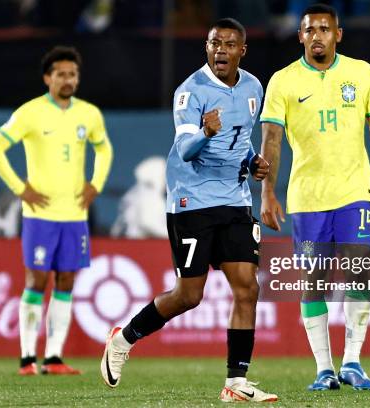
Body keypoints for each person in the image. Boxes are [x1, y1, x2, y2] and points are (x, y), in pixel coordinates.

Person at [100, 18, 278, 403]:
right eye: (215, 44)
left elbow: (242, 139)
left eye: (229, 45)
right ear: (207, 47)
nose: (220, 51)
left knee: (248, 288)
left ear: (241, 51)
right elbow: (185, 150)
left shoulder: (252, 87)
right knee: (188, 295)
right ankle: (124, 338)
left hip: (235, 199)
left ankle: (236, 382)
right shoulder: (190, 91)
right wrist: (205, 133)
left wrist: (252, 163)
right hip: (191, 200)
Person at [259, 4, 370, 391]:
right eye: (310, 30)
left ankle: (353, 362)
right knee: (314, 280)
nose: (317, 36)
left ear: (338, 35)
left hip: (354, 191)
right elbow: (271, 140)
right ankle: (324, 369)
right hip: (307, 197)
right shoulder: (283, 81)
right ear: (300, 37)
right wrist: (267, 194)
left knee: (359, 271)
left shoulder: (361, 73)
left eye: (325, 29)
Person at [0, 46, 113, 375]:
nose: (68, 80)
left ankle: (53, 357)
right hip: (39, 214)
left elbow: (104, 148)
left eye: (72, 74)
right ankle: (28, 358)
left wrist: (95, 184)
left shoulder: (89, 114)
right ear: (47, 78)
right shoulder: (30, 113)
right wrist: (20, 189)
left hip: (74, 215)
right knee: (36, 280)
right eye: (61, 74)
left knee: (66, 281)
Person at [110, 156, 168, 239]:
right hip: (137, 245)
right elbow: (148, 223)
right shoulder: (150, 195)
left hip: (126, 244)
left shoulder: (134, 193)